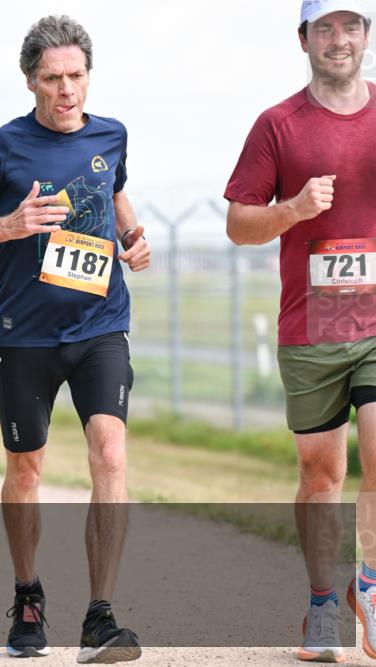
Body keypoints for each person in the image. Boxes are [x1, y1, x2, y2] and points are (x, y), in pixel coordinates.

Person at [0, 15, 150, 662]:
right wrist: (12, 223)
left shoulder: (112, 133)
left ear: (89, 76)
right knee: (26, 471)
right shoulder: (0, 147)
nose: (67, 90)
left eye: (76, 76)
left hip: (101, 325)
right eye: (52, 79)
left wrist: (132, 238)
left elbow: (116, 191)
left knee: (110, 453)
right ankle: (28, 595)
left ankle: (101, 616)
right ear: (30, 81)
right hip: (25, 336)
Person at [224, 1, 375, 662]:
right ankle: (322, 602)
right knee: (321, 474)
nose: (338, 40)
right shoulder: (277, 125)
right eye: (325, 28)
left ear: (366, 35)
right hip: (312, 323)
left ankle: (368, 584)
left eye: (351, 26)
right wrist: (292, 208)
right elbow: (238, 223)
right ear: (304, 39)